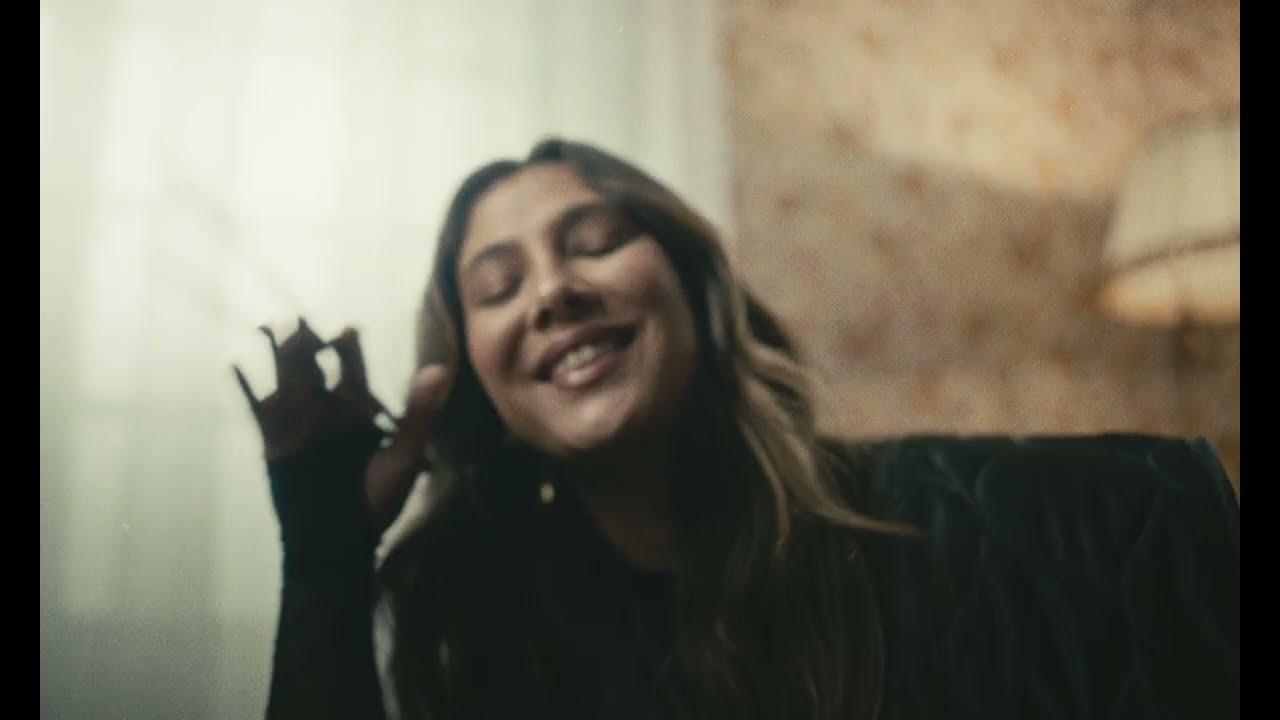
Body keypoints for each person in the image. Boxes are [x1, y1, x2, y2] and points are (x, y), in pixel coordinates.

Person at [235, 139, 1240, 720]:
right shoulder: (479, 632)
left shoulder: (1041, 527)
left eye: (594, 242)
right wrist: (325, 561)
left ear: (696, 293)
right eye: (498, 287)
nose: (552, 291)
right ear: (475, 393)